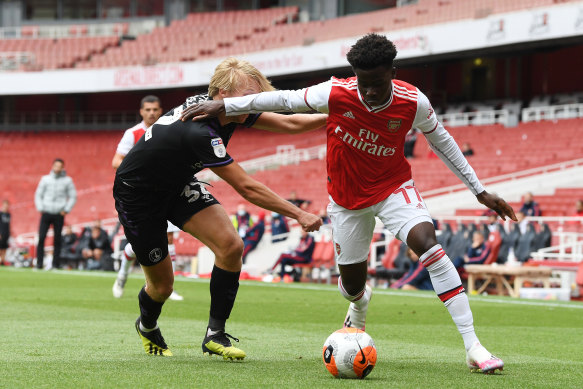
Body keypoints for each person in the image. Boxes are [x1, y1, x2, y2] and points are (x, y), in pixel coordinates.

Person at [181, 35, 517, 374]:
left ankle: (474, 346)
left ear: (392, 72)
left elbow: (441, 140)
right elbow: (284, 99)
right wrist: (225, 106)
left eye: (377, 84)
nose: (368, 92)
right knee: (352, 287)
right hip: (346, 201)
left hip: (393, 188)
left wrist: (479, 191)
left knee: (429, 246)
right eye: (363, 83)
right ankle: (359, 306)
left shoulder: (413, 101)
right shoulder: (336, 92)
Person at [113, 57, 324, 359]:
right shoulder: (200, 131)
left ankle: (215, 334)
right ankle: (147, 326)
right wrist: (299, 213)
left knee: (230, 245)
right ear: (223, 93)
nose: (253, 103)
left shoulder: (230, 110)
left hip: (176, 185)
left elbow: (290, 122)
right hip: (138, 196)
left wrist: (337, 116)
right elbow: (247, 187)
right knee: (162, 287)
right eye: (248, 97)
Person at [111, 95, 183, 301]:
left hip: (167, 192)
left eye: (155, 109)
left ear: (161, 111)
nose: (152, 113)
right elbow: (116, 162)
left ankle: (170, 286)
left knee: (168, 238)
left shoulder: (170, 129)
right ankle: (122, 275)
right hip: (140, 197)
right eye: (148, 109)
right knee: (140, 243)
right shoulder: (132, 133)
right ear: (141, 111)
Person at [34, 158, 77, 270]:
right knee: (42, 237)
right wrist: (40, 207)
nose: (57, 168)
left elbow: (73, 196)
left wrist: (66, 209)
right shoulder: (45, 179)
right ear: (52, 166)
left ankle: (55, 264)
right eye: (56, 166)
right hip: (46, 212)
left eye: (60, 166)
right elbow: (38, 194)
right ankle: (39, 264)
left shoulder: (67, 181)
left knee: (57, 239)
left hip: (59, 213)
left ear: (63, 167)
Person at [0, 200, 10, 266]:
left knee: (4, 248)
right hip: (1, 233)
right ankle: (0, 259)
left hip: (6, 233)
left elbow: (8, 224)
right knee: (0, 247)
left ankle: (3, 260)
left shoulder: (8, 214)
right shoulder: (0, 214)